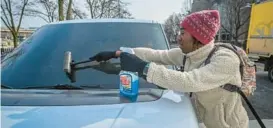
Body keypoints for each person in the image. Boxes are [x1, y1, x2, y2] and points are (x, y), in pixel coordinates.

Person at [90, 10, 249, 128]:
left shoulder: (225, 60)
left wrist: (143, 68)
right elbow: (158, 55)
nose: (178, 37)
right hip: (207, 123)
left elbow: (189, 82)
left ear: (198, 37)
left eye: (183, 33)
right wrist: (118, 53)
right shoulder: (190, 53)